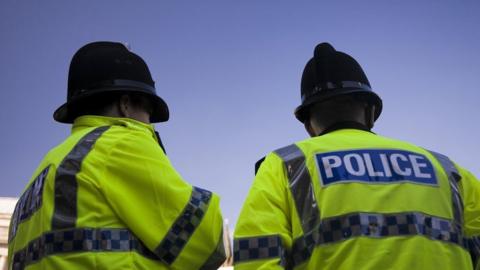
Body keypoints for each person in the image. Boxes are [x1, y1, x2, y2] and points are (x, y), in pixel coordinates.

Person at [233, 42, 480, 269]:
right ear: (371, 112)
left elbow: (256, 257)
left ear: (308, 125)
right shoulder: (448, 170)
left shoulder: (286, 165)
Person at [8, 41, 226, 270]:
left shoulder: (42, 174)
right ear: (126, 105)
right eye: (149, 112)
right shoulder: (118, 143)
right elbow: (207, 244)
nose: (149, 123)